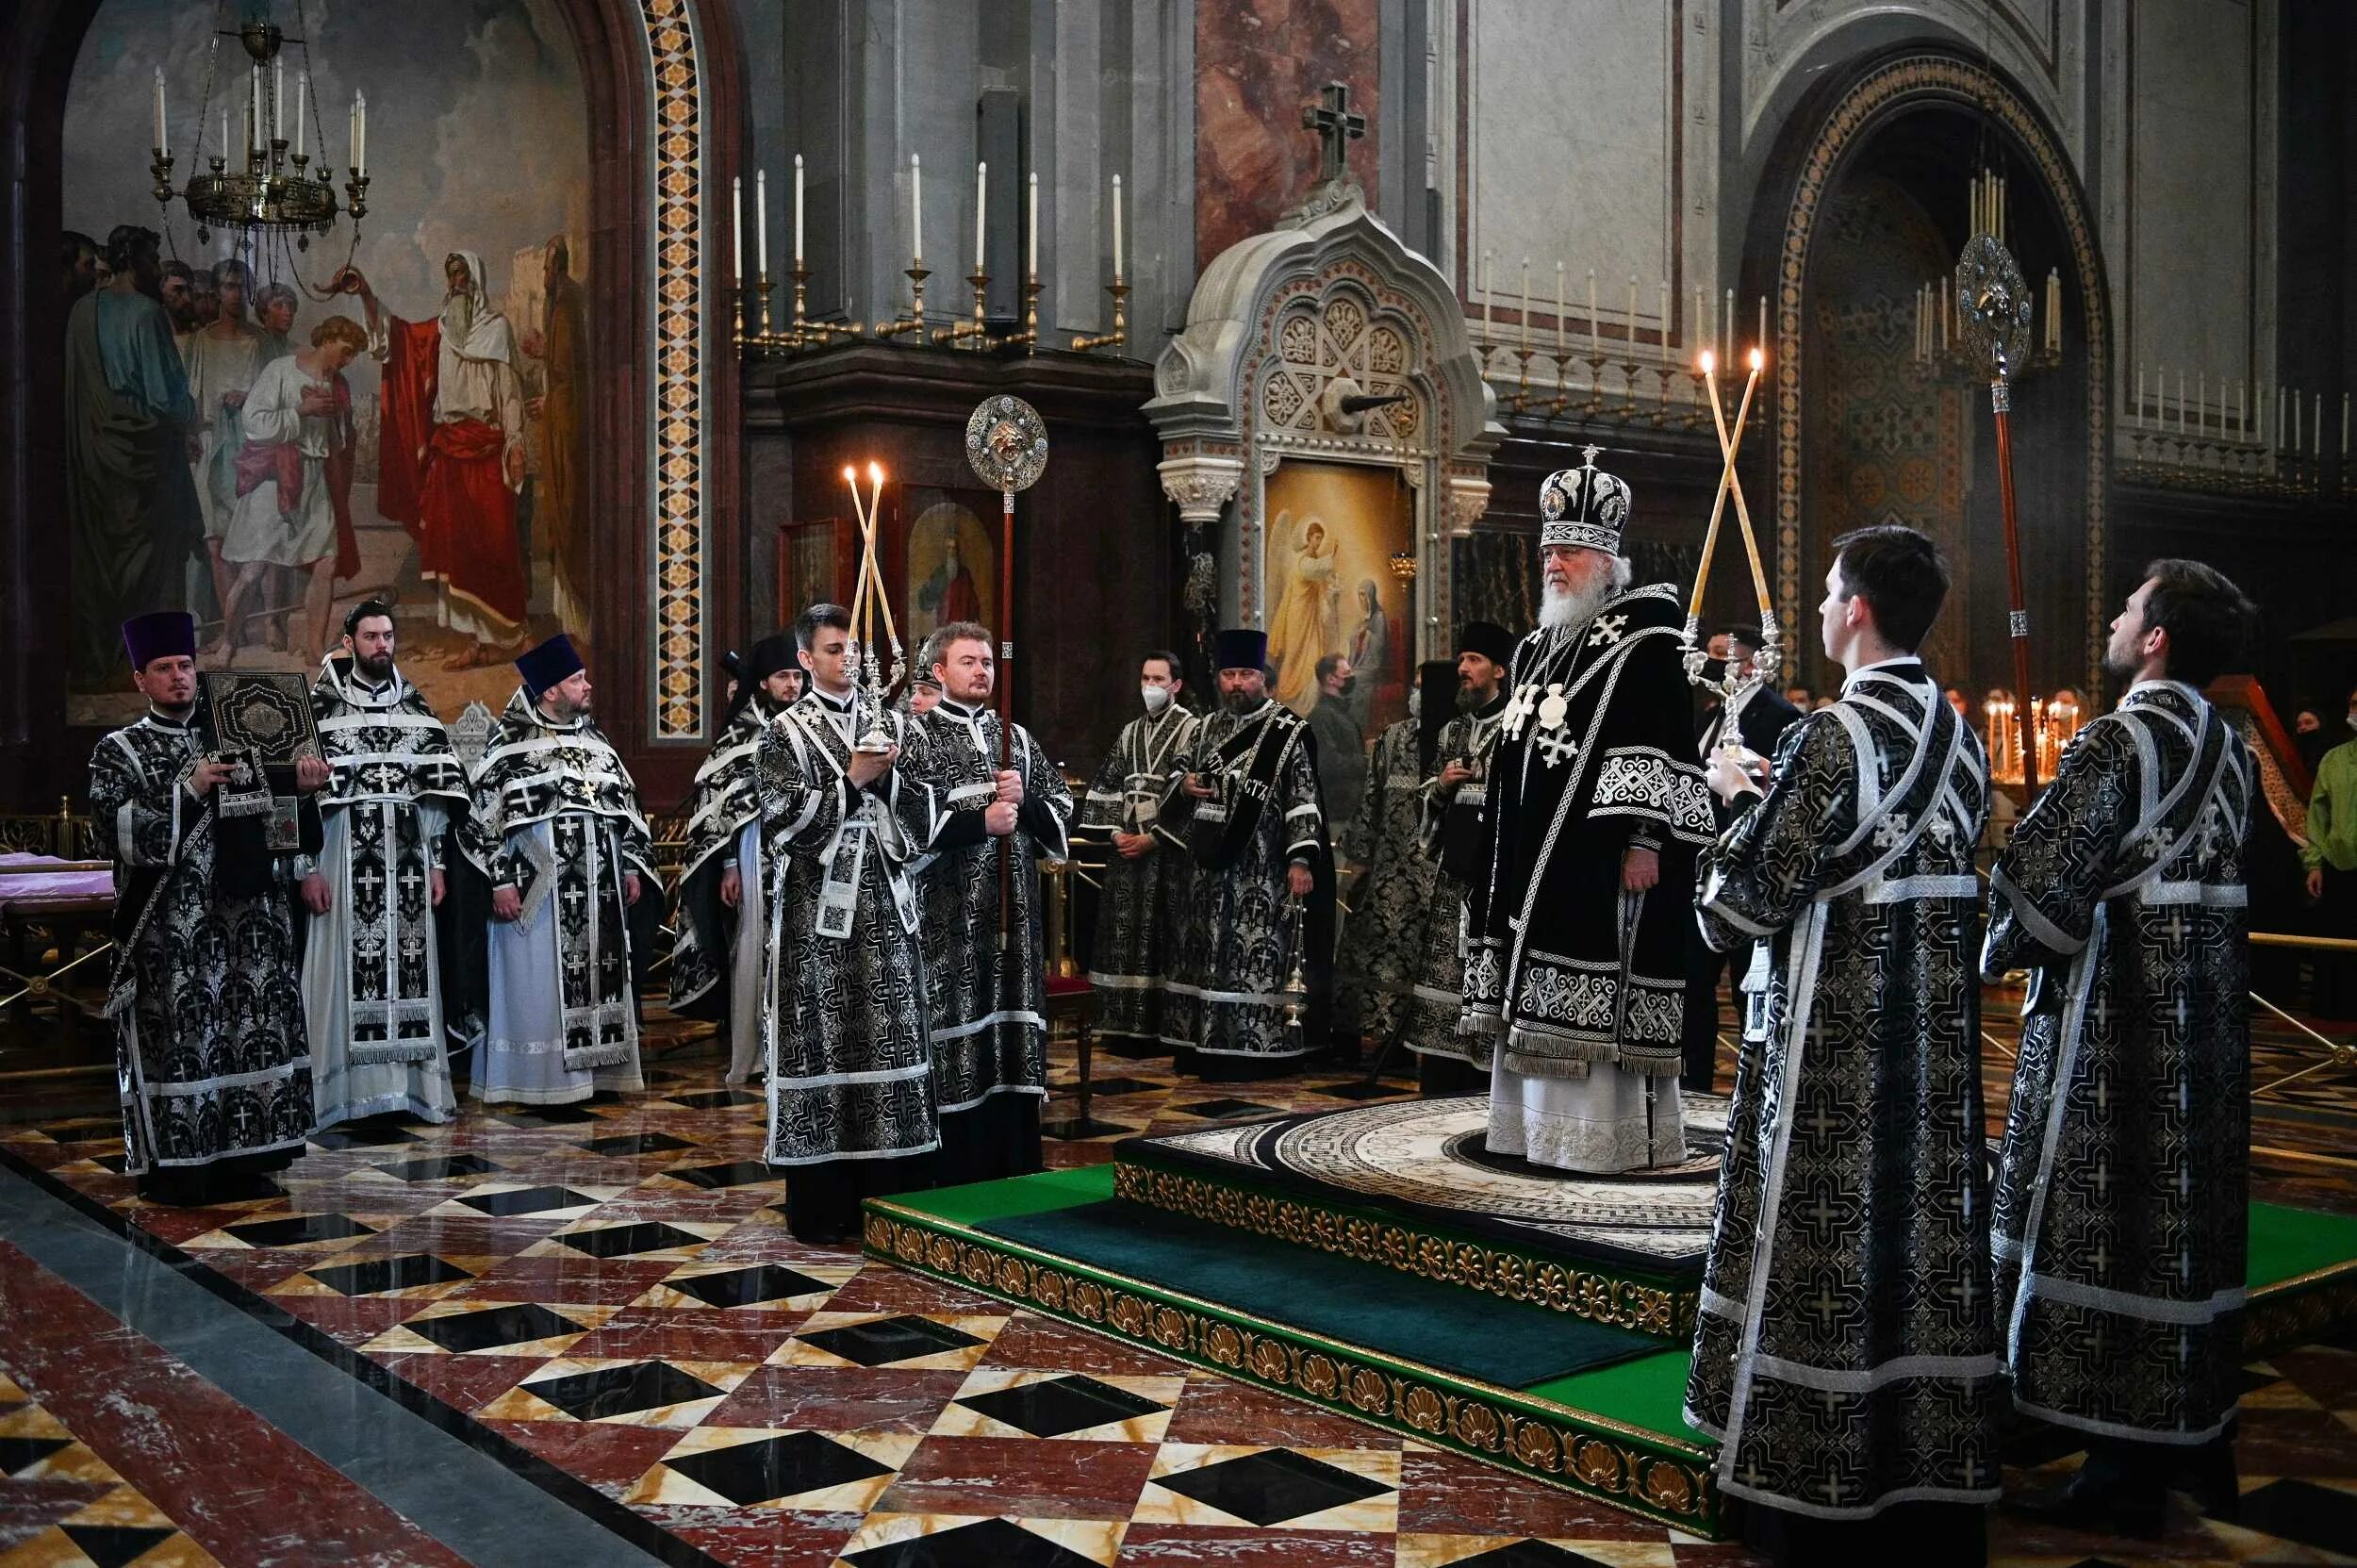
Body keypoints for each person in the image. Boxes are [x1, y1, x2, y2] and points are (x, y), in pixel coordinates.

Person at [1684, 525, 1998, 1566]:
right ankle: (1920, 1479)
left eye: (1826, 593)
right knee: (1916, 1253)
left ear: (1857, 610)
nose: (1819, 610)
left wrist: (1734, 801)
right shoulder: (1963, 738)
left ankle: (1800, 1489)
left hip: (1831, 1055)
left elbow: (1734, 906)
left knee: (1820, 1248)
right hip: (1937, 1059)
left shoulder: (1830, 739)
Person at [1986, 560, 2260, 1536]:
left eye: (2128, 607)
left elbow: (2037, 886)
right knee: (2172, 1233)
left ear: (2155, 640)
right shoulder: (2229, 749)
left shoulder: (2119, 737)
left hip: (2110, 1028)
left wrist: (1999, 933)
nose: (2109, 616)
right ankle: (2170, 1439)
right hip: (2206, 1038)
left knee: (2096, 1221)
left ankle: (2106, 1457)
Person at [1462, 449, 1712, 1172]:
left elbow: (1661, 742)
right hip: (1529, 857)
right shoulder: (1540, 642)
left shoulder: (1648, 639)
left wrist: (1646, 840)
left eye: (1568, 550)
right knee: (1526, 988)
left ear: (1605, 558)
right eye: (1547, 550)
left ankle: (1600, 1144)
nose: (1553, 564)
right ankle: (1529, 1134)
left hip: (1600, 860)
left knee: (1600, 996)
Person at [89, 611, 327, 1202]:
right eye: (164, 669)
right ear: (140, 679)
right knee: (184, 1038)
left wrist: (301, 789)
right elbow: (112, 830)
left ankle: (252, 1156)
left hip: (249, 924)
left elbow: (280, 834)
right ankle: (182, 1168)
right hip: (173, 930)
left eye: (186, 666)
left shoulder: (238, 734)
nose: (179, 678)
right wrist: (189, 789)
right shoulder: (120, 750)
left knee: (253, 1028)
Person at [759, 603, 953, 1244]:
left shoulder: (890, 722)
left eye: (854, 647)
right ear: (807, 659)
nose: (849, 658)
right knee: (826, 1034)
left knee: (892, 1030)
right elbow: (782, 819)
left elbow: (930, 806)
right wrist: (851, 780)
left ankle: (896, 1197)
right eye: (835, 648)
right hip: (819, 920)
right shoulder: (784, 731)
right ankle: (826, 1202)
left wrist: (890, 778)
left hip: (889, 909)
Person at [462, 635, 654, 1105]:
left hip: (600, 895)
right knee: (538, 988)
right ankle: (538, 1082)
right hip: (538, 898)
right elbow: (479, 820)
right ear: (550, 690)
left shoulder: (597, 743)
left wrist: (629, 863)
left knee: (601, 974)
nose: (587, 687)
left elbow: (626, 809)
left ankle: (599, 1075)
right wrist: (501, 878)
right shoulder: (508, 748)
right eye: (576, 680)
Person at [913, 623, 1074, 1182]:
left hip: (1015, 917)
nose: (981, 671)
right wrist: (977, 821)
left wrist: (1026, 804)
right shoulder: (918, 737)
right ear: (940, 671)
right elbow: (904, 823)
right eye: (968, 662)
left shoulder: (1017, 738)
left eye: (987, 662)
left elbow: (1062, 806)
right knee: (956, 1021)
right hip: (948, 918)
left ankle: (1015, 1157)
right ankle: (957, 1161)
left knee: (1011, 1024)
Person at [302, 600, 470, 1130]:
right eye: (371, 636)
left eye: (388, 636)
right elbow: (294, 800)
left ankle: (411, 1091)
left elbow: (439, 795)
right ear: (349, 642)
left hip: (410, 862)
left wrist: (439, 864)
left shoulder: (415, 710)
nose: (382, 646)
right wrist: (307, 867)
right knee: (338, 969)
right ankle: (339, 1099)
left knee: (412, 970)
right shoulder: (319, 709)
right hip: (339, 856)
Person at [344, 255, 530, 667]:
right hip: (449, 449)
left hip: (486, 447)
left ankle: (515, 633)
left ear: (476, 280)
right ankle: (475, 643)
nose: (457, 283)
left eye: (463, 275)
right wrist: (369, 296)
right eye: (452, 277)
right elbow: (397, 338)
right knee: (455, 547)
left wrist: (516, 442)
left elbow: (511, 391)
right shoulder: (441, 332)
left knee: (496, 543)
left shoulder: (496, 330)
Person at [1164, 629, 1333, 1077]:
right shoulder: (1203, 728)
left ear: (1262, 678)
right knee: (1205, 954)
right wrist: (1184, 785)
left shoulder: (1288, 731)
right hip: (1206, 870)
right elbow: (1176, 776)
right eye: (1229, 674)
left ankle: (1256, 1051)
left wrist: (1300, 862)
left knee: (1256, 956)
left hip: (1261, 869)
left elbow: (1303, 797)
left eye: (1246, 674)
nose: (1237, 683)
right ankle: (1202, 1045)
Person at [66, 225, 201, 682]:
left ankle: (107, 659)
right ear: (135, 260)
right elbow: (167, 398)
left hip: (97, 459)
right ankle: (153, 664)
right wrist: (191, 414)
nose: (155, 268)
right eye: (152, 259)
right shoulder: (146, 313)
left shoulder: (83, 311)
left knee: (107, 559)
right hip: (147, 461)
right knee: (156, 563)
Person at [670, 635, 801, 1084]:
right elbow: (718, 802)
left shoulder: (812, 724)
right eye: (783, 677)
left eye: (797, 676)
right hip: (755, 853)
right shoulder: (741, 734)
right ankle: (758, 1051)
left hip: (806, 853)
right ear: (762, 683)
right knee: (755, 945)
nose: (792, 686)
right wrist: (727, 863)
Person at [1681, 624, 1802, 1088]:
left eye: (1719, 655)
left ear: (1751, 664)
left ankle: (1754, 1087)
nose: (1710, 663)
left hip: (1751, 872)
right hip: (1700, 864)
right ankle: (1695, 1084)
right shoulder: (1706, 712)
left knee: (1749, 987)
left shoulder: (1781, 715)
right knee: (1695, 982)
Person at [1407, 621, 1514, 1095]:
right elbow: (1425, 802)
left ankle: (1483, 1091)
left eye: (1473, 661)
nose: (1463, 670)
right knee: (1444, 986)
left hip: (1495, 882)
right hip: (1452, 880)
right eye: (1462, 660)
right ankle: (1439, 1085)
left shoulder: (1520, 729)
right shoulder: (1452, 730)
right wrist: (1443, 787)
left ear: (1500, 670)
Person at [1074, 651, 1200, 1048]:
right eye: (1145, 677)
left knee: (1161, 935)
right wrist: (1115, 835)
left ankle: (1158, 1028)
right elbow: (1106, 786)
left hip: (1166, 854)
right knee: (1122, 936)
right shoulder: (1129, 732)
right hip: (1126, 850)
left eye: (1159, 679)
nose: (1150, 686)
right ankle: (1120, 1024)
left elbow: (1194, 799)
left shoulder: (1192, 730)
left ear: (1176, 685)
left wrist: (1153, 838)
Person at [219, 316, 363, 662]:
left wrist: (335, 424)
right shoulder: (281, 370)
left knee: (326, 563)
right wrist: (302, 410)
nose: (346, 361)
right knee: (253, 571)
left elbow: (339, 438)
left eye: (352, 356)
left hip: (316, 481)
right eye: (344, 352)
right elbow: (254, 423)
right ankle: (227, 644)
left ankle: (314, 649)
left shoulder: (337, 384)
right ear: (327, 340)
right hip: (277, 479)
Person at [1336, 660, 1452, 1059]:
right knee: (1376, 950)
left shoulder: (1458, 741)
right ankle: (1383, 1038)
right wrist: (1361, 858)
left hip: (1441, 874)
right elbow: (1372, 800)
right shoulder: (1393, 738)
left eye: (1424, 687)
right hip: (1390, 873)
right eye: (1414, 685)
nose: (1415, 694)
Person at [185, 259, 267, 653]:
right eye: (228, 287)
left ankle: (239, 628)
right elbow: (192, 395)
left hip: (249, 448)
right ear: (217, 292)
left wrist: (248, 397)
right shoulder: (202, 340)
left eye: (241, 286)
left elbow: (273, 394)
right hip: (209, 447)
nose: (235, 294)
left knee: (247, 543)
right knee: (215, 543)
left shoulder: (259, 340)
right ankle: (228, 629)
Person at [520, 236, 589, 629]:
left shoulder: (566, 306)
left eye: (548, 267)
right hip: (561, 429)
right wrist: (544, 351)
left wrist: (550, 407)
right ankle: (571, 628)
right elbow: (565, 367)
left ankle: (579, 630)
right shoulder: (562, 306)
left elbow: (571, 380)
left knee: (569, 517)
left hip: (569, 436)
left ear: (559, 268)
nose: (545, 275)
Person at [2305, 685, 2357, 1018]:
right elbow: (2318, 817)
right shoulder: (2335, 759)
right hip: (2342, 866)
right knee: (2338, 949)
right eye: (2354, 703)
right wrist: (2314, 863)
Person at [1268, 515, 1341, 712]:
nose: (1318, 542)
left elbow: (1324, 586)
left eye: (1320, 539)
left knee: (1313, 658)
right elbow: (1312, 571)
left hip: (1311, 619)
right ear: (1308, 538)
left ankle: (1307, 708)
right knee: (1292, 657)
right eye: (1316, 538)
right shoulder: (1301, 561)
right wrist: (1331, 557)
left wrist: (1332, 593)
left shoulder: (1314, 561)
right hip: (1297, 616)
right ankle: (1283, 702)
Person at [1307, 652, 1367, 829]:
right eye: (1347, 673)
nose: (1352, 677)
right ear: (1331, 679)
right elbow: (1329, 763)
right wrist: (1366, 762)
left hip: (1350, 808)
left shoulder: (1342, 711)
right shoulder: (1321, 716)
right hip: (1336, 812)